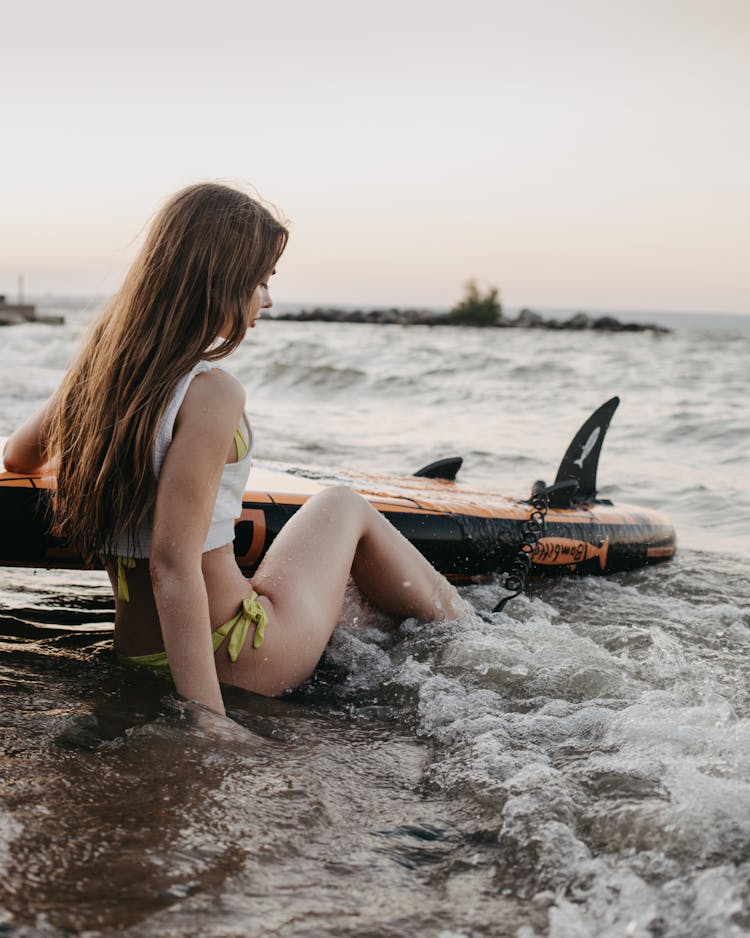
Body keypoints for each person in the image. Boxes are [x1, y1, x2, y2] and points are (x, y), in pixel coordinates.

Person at [3, 182, 468, 718]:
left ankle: (382, 618)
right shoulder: (212, 392)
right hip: (237, 654)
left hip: (134, 652)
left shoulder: (98, 376)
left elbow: (19, 456)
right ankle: (472, 633)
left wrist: (120, 457)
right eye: (260, 282)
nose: (266, 299)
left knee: (345, 598)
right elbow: (172, 565)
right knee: (341, 504)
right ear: (218, 283)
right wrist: (206, 718)